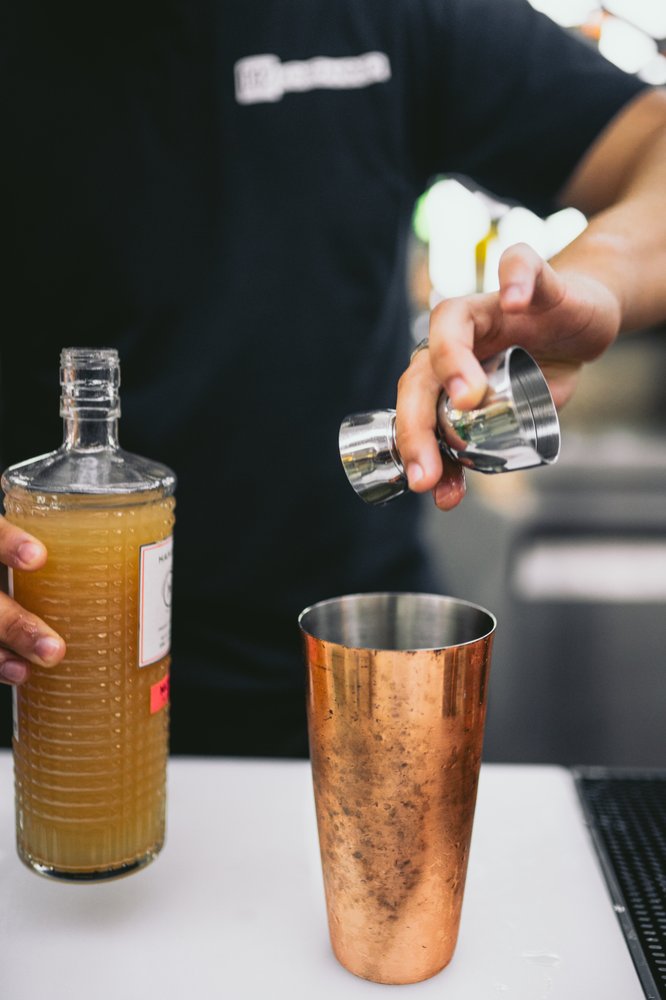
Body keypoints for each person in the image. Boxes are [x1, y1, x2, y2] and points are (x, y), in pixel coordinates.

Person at [1, 0, 665, 755]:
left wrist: (600, 281)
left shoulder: (394, 15)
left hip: (353, 672)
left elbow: (653, 142)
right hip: (58, 674)